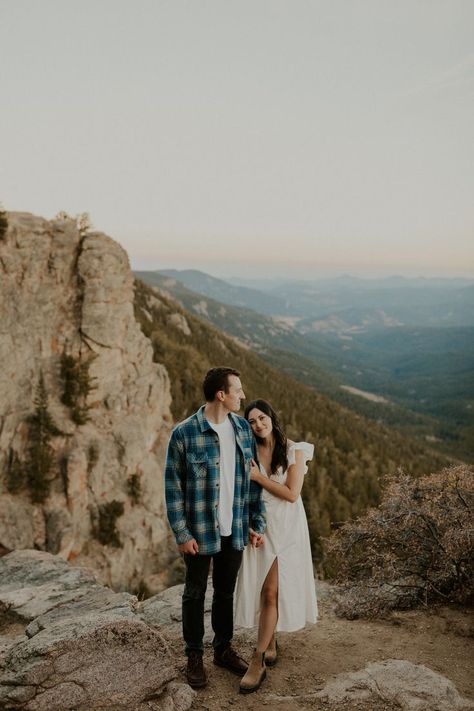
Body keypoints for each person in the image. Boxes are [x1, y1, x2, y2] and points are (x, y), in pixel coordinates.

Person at [165, 367, 266, 689]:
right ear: (221, 395)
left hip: (234, 526)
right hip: (200, 529)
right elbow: (173, 487)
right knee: (194, 593)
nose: (243, 395)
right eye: (238, 390)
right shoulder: (184, 433)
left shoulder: (240, 428)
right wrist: (182, 533)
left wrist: (255, 522)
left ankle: (222, 649)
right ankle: (194, 656)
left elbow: (251, 481)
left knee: (225, 592)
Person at [235, 398, 317, 693]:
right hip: (261, 525)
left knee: (272, 590)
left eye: (261, 418)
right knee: (262, 588)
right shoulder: (249, 451)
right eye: (252, 422)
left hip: (288, 527)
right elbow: (243, 492)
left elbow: (292, 494)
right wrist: (247, 525)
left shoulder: (293, 449)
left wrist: (258, 476)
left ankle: (257, 661)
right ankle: (268, 640)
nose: (258, 425)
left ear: (271, 416)